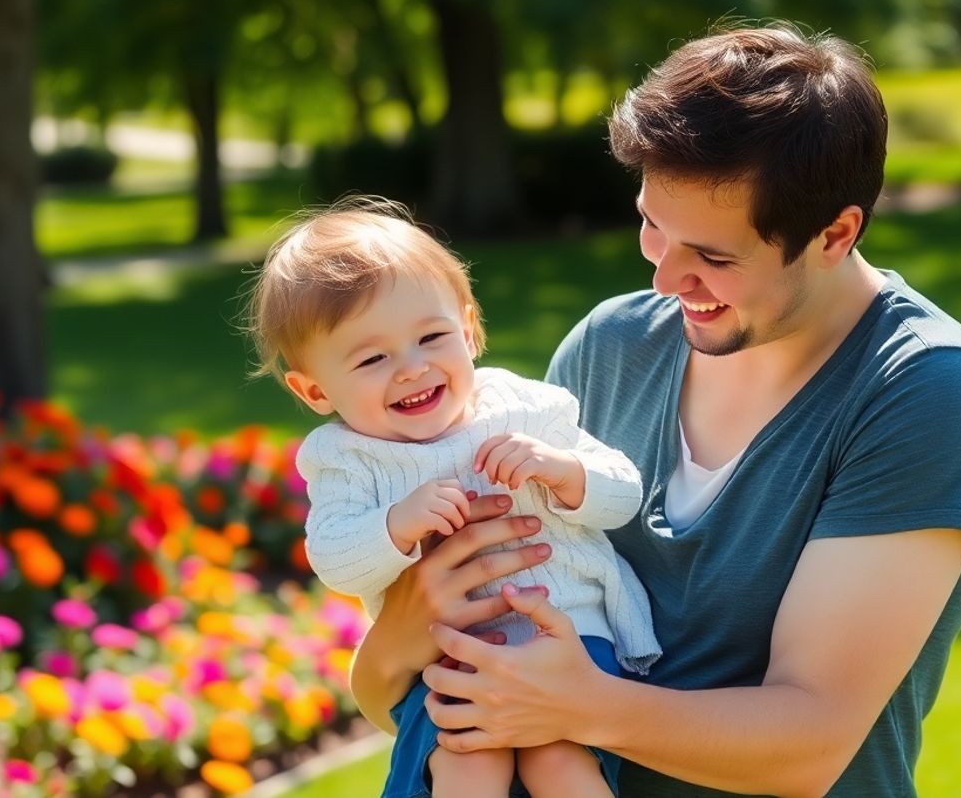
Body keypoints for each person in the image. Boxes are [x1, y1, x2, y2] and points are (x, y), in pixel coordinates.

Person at [348, 23, 961, 797]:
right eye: (652, 227)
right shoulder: (610, 348)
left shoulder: (924, 390)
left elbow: (810, 743)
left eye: (713, 257)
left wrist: (578, 703)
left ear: (835, 233)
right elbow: (391, 699)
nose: (667, 281)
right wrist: (402, 631)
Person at [245, 198, 661, 798]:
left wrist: (564, 472)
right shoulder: (348, 459)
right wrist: (395, 525)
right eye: (372, 358)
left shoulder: (521, 409)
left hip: (568, 631)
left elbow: (622, 490)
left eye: (432, 336)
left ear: (467, 330)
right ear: (314, 390)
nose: (412, 368)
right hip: (449, 654)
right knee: (468, 763)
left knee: (559, 762)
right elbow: (333, 559)